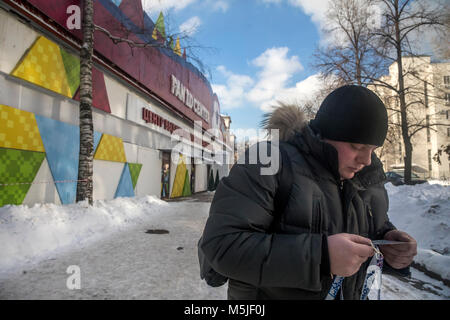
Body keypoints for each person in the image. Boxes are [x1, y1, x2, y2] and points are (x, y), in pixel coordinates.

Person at [198, 85, 417, 300]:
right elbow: (223, 246)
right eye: (356, 146)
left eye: (372, 150)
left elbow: (369, 229)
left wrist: (389, 246)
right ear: (328, 133)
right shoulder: (268, 162)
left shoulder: (366, 178)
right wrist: (321, 257)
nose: (366, 160)